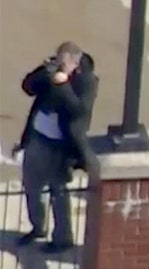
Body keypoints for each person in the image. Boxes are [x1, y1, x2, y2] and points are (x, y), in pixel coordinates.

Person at [16, 41, 99, 253]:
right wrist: (43, 73)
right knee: (31, 185)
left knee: (58, 192)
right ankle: (38, 227)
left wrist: (63, 86)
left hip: (60, 147)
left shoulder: (87, 81)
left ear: (75, 64)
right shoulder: (51, 71)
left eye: (63, 64)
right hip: (37, 139)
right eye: (58, 62)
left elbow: (79, 111)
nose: (60, 67)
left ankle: (63, 238)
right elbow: (28, 87)